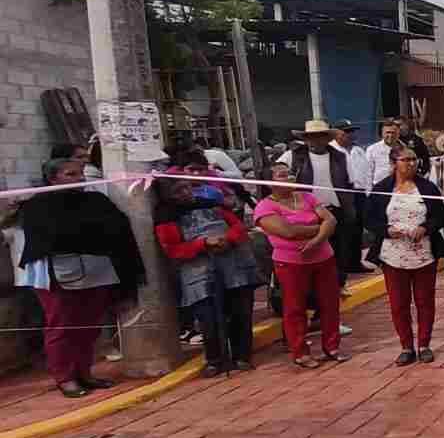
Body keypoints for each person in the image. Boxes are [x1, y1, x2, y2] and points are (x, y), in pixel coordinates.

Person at [13, 157, 143, 397]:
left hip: (97, 268)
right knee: (62, 326)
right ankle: (64, 377)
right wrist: (91, 234)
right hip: (57, 273)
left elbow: (116, 228)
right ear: (53, 178)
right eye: (70, 174)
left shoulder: (95, 200)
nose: (79, 178)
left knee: (90, 326)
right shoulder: (37, 204)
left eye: (80, 173)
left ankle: (84, 372)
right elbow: (52, 237)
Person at [154, 157, 260, 377]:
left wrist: (228, 239)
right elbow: (173, 249)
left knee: (240, 311)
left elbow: (238, 226)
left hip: (234, 265)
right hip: (199, 272)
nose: (186, 193)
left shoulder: (211, 202)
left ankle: (242, 355)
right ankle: (215, 359)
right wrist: (203, 244)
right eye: (178, 191)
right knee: (209, 318)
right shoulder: (166, 216)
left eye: (186, 187)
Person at [255, 160, 346, 368]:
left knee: (330, 303)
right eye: (281, 175)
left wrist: (316, 240)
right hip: (291, 263)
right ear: (269, 182)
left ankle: (332, 347)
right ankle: (300, 351)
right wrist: (318, 228)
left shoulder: (307, 196)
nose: (288, 178)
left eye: (289, 173)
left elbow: (331, 220)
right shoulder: (265, 206)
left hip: (323, 257)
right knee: (296, 306)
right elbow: (287, 231)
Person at [366, 144, 444, 365]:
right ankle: (406, 346)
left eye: (413, 159)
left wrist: (425, 228)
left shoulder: (428, 188)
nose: (411, 164)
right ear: (394, 163)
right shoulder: (382, 189)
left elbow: (440, 215)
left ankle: (424, 344)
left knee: (425, 301)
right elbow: (370, 219)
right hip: (393, 255)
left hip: (423, 254)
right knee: (398, 304)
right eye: (405, 160)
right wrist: (387, 230)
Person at [278, 120, 359, 283]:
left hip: (335, 210)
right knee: (311, 252)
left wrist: (350, 209)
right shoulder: (292, 156)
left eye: (320, 136)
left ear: (327, 138)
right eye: (311, 137)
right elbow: (274, 173)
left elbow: (350, 183)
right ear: (306, 139)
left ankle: (338, 285)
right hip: (306, 213)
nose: (315, 141)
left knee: (338, 252)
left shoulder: (341, 157)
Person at [331, 119, 373, 274]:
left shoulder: (358, 150)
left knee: (357, 229)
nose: (350, 135)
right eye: (346, 132)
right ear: (336, 133)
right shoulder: (332, 151)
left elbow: (367, 173)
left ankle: (355, 263)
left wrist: (368, 193)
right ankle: (342, 265)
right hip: (342, 194)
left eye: (351, 131)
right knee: (343, 230)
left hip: (360, 194)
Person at [366, 119, 403, 190]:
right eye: (387, 132)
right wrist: (369, 192)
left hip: (399, 189)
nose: (390, 135)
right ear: (382, 133)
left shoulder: (405, 149)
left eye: (393, 133)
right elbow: (367, 173)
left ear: (398, 133)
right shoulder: (372, 149)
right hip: (379, 189)